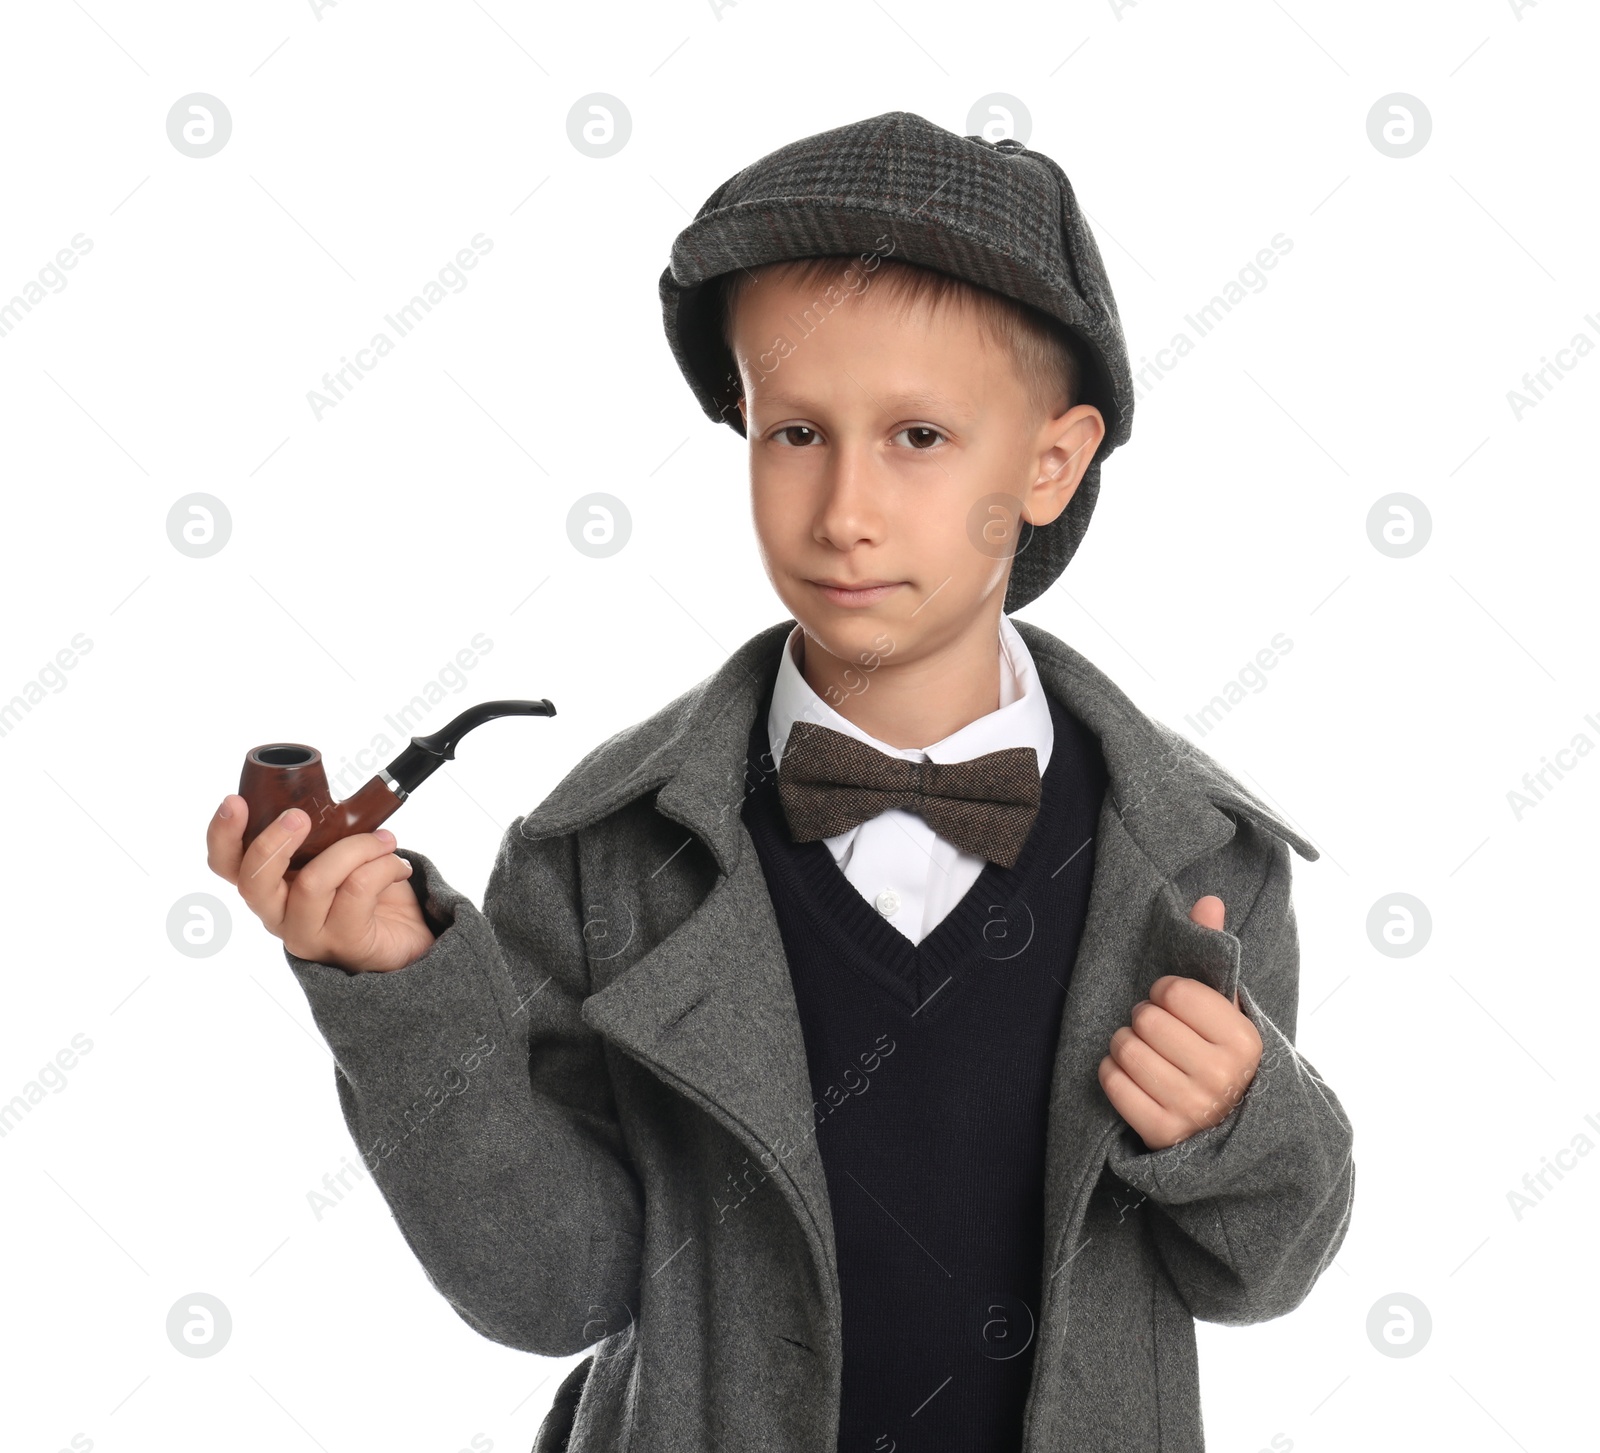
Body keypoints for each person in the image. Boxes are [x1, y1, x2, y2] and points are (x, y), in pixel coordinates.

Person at [206, 110, 1354, 1453]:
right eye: (794, 432)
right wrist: (405, 994)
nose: (843, 507)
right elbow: (552, 1282)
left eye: (919, 436)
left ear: (1051, 461)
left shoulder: (1201, 861)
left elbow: (1258, 1270)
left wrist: (1238, 1122)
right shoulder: (598, 855)